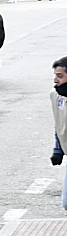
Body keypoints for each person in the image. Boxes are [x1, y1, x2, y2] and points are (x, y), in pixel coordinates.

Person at [50, 57, 67, 210]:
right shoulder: (56, 96)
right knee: (66, 202)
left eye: (60, 76)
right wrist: (58, 150)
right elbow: (59, 123)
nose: (55, 80)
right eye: (55, 75)